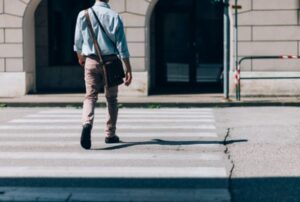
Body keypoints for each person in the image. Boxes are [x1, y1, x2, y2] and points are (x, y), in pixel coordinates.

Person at [74, 0, 132, 149]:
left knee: (90, 96)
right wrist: (128, 68)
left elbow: (78, 42)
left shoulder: (83, 14)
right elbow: (122, 46)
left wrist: (81, 57)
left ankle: (87, 124)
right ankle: (110, 134)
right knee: (111, 98)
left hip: (91, 61)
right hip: (111, 63)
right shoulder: (114, 16)